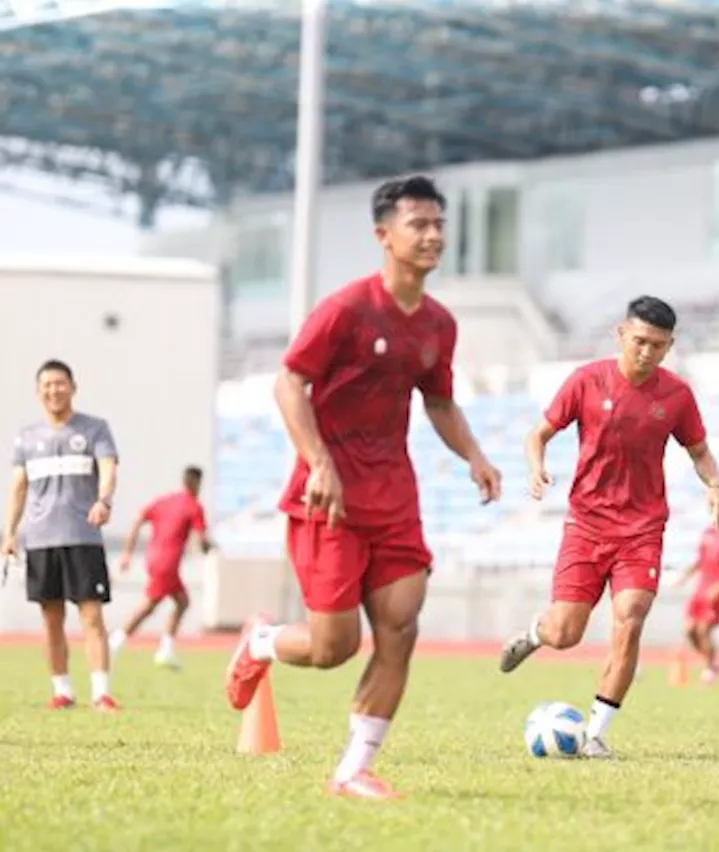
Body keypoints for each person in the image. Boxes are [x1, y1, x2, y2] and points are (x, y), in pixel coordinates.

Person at [222, 175, 503, 799]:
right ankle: (262, 641)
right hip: (330, 497)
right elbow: (289, 382)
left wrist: (475, 456)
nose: (432, 236)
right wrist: (318, 461)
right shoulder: (347, 309)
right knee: (333, 648)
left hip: (394, 496)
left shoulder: (438, 325)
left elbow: (439, 402)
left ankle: (353, 769)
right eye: (418, 225)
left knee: (401, 626)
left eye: (438, 224)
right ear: (384, 235)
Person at [498, 295, 719, 759]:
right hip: (586, 525)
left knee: (630, 617)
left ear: (670, 347)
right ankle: (534, 634)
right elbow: (538, 434)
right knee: (566, 633)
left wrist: (715, 485)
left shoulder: (677, 396)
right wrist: (536, 467)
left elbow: (699, 450)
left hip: (642, 530)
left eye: (658, 346)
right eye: (640, 341)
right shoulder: (587, 381)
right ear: (621, 334)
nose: (647, 353)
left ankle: (596, 734)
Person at [2, 359, 121, 711]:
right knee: (51, 619)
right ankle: (62, 691)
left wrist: (103, 500)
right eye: (47, 385)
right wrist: (9, 533)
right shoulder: (27, 437)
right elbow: (18, 488)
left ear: (73, 386)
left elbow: (109, 469)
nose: (54, 390)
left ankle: (101, 692)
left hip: (83, 536)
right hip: (40, 540)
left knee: (91, 616)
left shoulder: (95, 429)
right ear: (38, 392)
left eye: (60, 383)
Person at [110, 466, 214, 669]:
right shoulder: (194, 505)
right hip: (168, 562)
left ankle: (165, 649)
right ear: (196, 483)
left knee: (182, 602)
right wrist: (210, 547)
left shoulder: (165, 501)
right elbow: (201, 540)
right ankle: (117, 640)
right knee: (149, 604)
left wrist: (126, 552)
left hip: (154, 558)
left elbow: (137, 520)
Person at [674, 499, 719, 685]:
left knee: (704, 630)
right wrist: (685, 576)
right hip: (700, 589)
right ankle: (712, 664)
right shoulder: (708, 532)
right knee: (690, 631)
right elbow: (701, 559)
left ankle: (709, 668)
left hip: (716, 591)